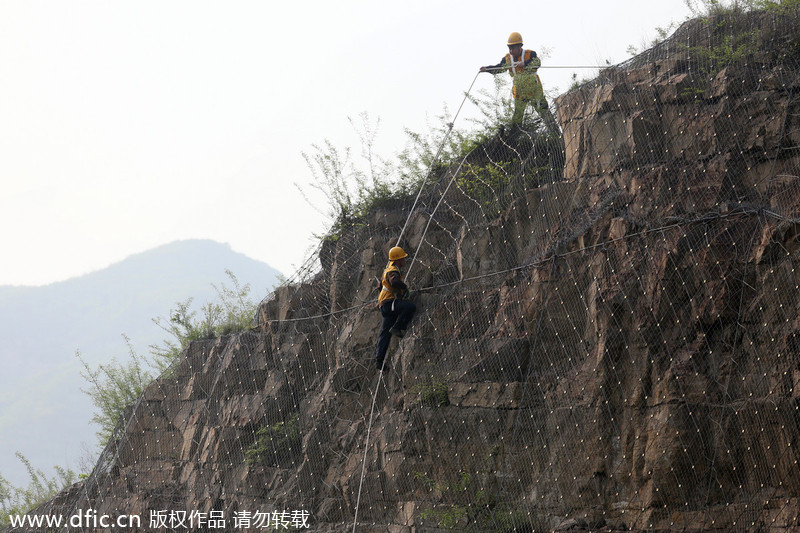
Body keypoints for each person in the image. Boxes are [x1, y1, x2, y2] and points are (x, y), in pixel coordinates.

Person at [480, 32, 558, 134]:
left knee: (544, 112)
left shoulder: (530, 54)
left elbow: (537, 63)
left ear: (520, 46)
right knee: (517, 118)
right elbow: (499, 68)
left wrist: (525, 63)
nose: (511, 50)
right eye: (509, 48)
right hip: (519, 94)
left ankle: (556, 134)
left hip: (534, 91)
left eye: (513, 48)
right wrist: (487, 69)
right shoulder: (508, 59)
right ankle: (515, 137)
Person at [375, 246, 416, 371]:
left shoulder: (387, 270)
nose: (404, 260)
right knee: (410, 307)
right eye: (402, 258)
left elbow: (380, 286)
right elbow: (394, 282)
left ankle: (379, 361)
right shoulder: (394, 271)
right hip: (389, 303)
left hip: (384, 304)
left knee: (385, 333)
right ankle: (398, 327)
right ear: (397, 260)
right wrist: (404, 288)